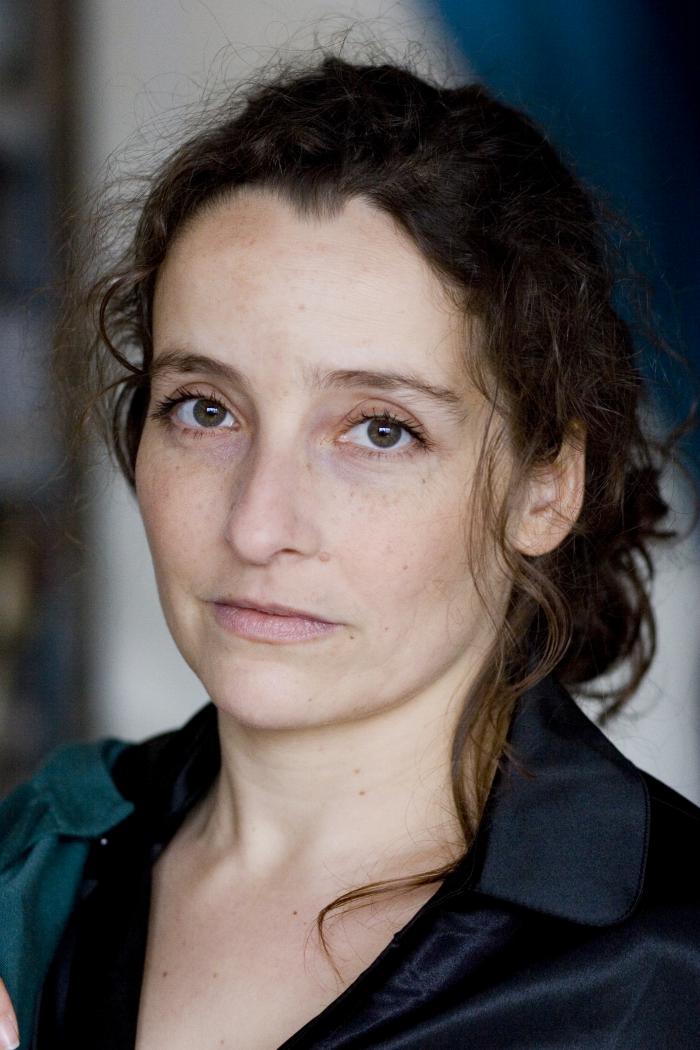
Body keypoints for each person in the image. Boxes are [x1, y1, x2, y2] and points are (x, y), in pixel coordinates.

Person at [1, 44, 700, 1050]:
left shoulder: (666, 969)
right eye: (204, 409)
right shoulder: (40, 858)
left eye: (379, 430)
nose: (257, 525)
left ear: (545, 488)